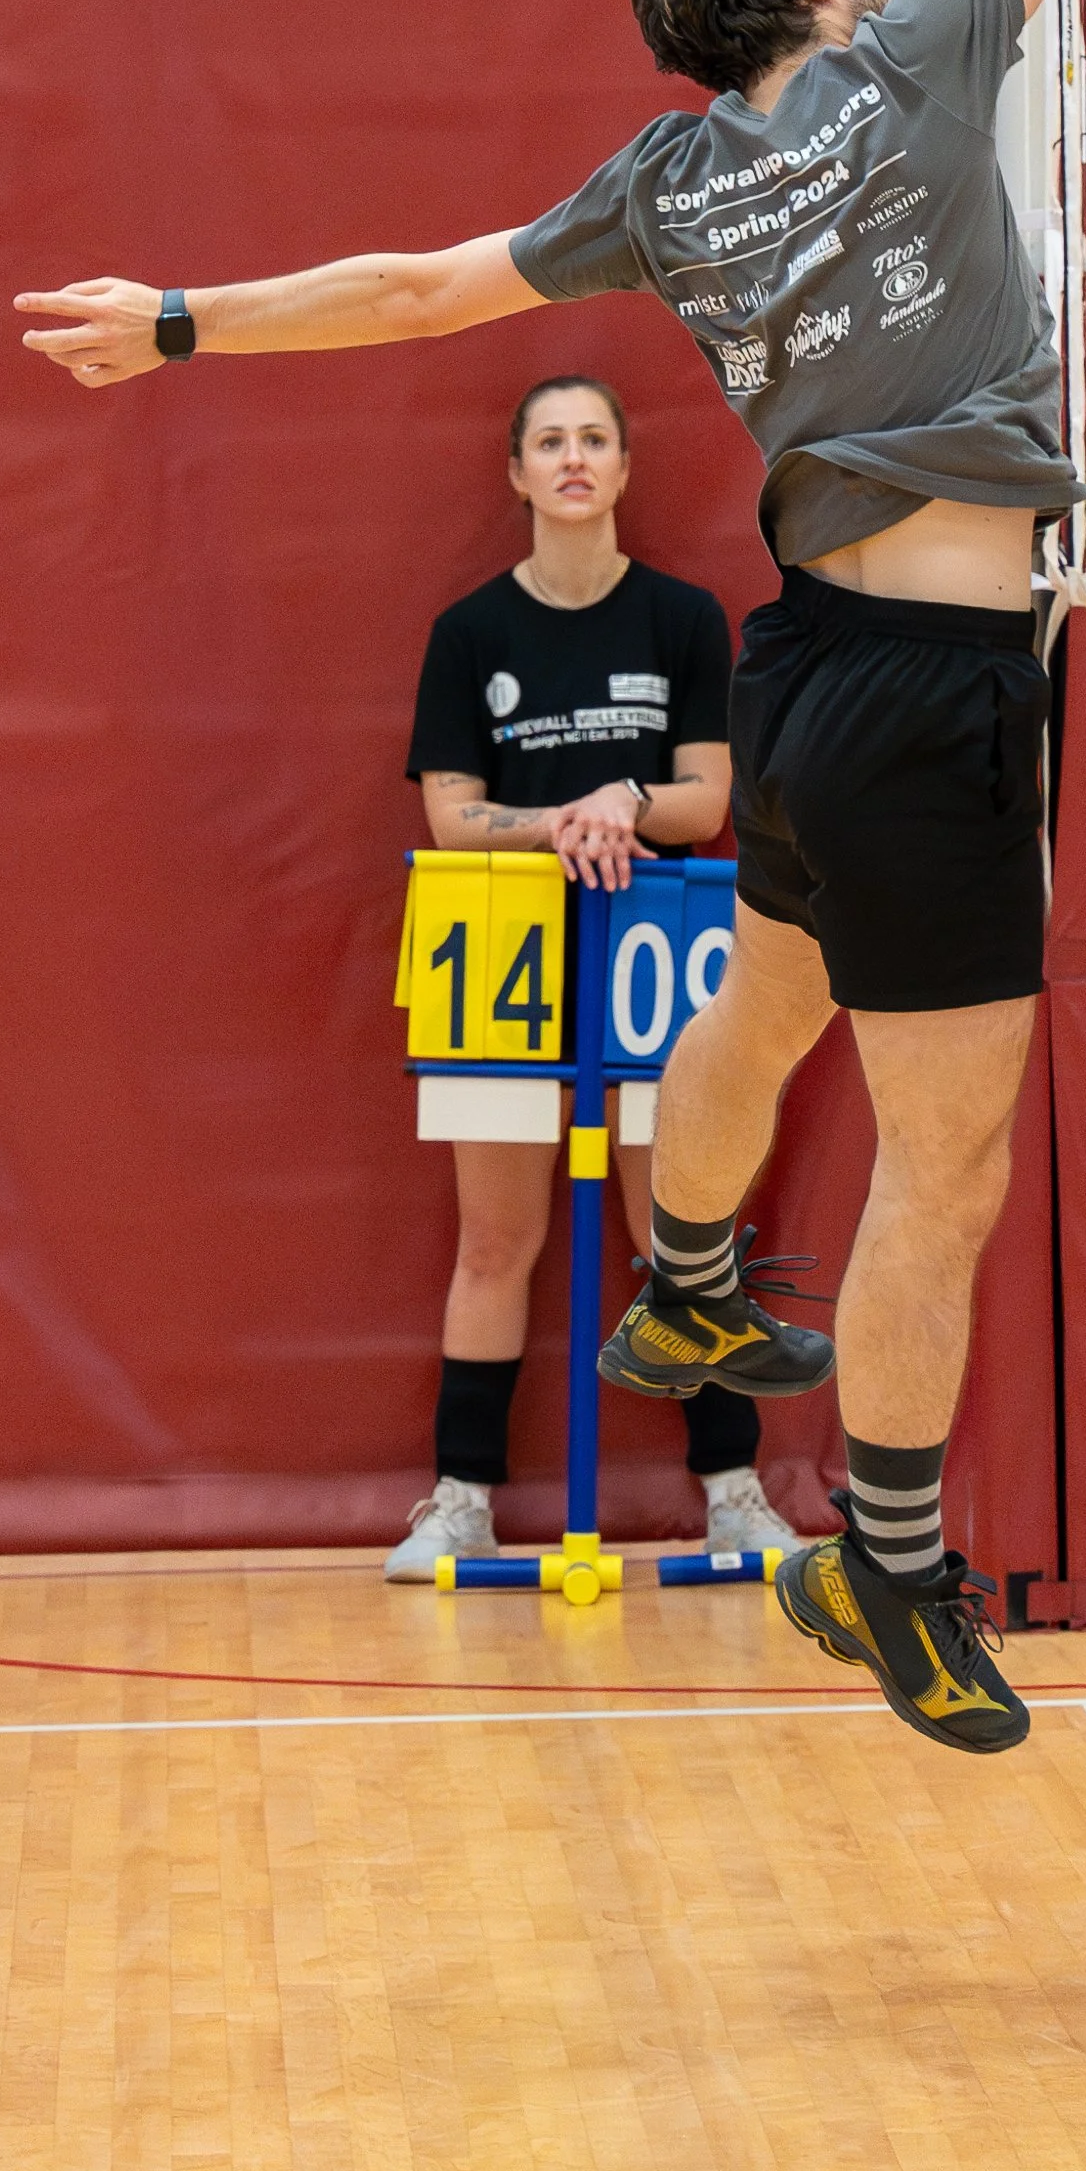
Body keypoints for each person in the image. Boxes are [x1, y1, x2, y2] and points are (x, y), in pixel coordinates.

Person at [19, 0, 1086, 1758]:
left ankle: (687, 1281)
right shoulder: (917, 59)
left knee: (763, 998)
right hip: (929, 688)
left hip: (802, 665)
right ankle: (896, 1556)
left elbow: (415, 292)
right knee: (951, 1161)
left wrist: (173, 320)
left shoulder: (659, 183)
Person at [385, 371, 795, 1583]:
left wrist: (623, 800)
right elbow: (455, 818)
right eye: (549, 441)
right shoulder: (469, 634)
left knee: (683, 1233)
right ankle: (459, 1497)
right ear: (516, 473)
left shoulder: (678, 617)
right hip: (499, 941)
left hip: (654, 940)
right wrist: (566, 818)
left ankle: (732, 1489)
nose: (573, 458)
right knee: (494, 1234)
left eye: (594, 439)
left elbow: (708, 798)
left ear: (622, 468)